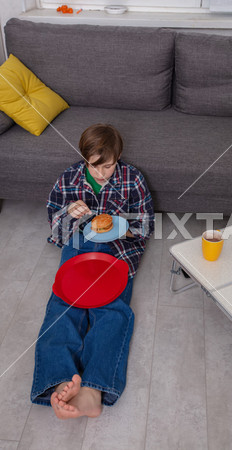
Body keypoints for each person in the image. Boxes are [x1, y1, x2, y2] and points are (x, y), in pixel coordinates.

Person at [30, 124, 154, 419]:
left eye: (108, 166)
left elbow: (146, 225)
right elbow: (56, 229)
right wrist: (67, 213)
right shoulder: (68, 178)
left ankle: (93, 389)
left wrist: (116, 225)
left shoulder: (133, 179)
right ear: (84, 159)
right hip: (77, 247)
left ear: (118, 157)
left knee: (111, 308)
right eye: (94, 167)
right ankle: (60, 380)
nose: (101, 174)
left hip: (117, 251)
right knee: (62, 304)